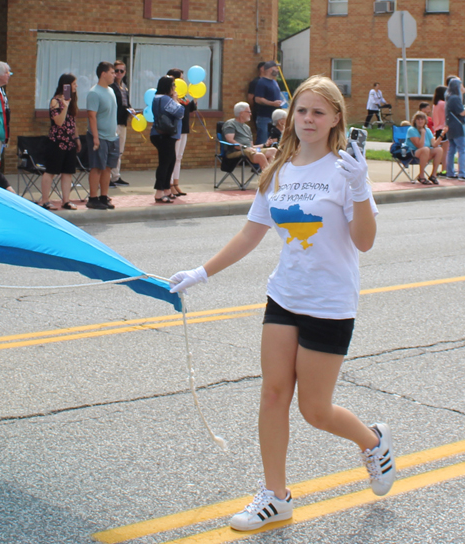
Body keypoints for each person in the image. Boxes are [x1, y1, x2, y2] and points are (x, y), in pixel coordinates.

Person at [169, 75, 394, 532]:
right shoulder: (278, 169)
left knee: (315, 410)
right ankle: (275, 495)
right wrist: (200, 273)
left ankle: (373, 441)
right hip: (284, 297)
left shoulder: (345, 170)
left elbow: (365, 243)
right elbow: (251, 233)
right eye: (302, 111)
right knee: (272, 394)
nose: (308, 119)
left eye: (318, 112)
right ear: (291, 116)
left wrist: (362, 189)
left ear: (335, 119)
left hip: (330, 303)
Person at [40, 73, 81, 211]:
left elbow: (72, 122)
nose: (76, 86)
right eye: (74, 84)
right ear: (66, 86)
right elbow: (59, 121)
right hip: (56, 141)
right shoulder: (55, 101)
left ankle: (66, 200)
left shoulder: (72, 101)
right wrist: (65, 106)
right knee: (51, 171)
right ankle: (45, 200)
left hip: (69, 142)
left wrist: (77, 138)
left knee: (68, 172)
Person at [86, 61, 119, 210]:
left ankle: (104, 197)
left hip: (112, 136)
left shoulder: (111, 91)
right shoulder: (94, 92)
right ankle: (92, 198)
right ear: (103, 74)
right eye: (112, 72)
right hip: (99, 136)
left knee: (108, 168)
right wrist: (95, 137)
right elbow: (92, 116)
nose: (115, 75)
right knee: (97, 167)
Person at [150, 75, 184, 203]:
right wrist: (175, 100)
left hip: (161, 134)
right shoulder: (164, 99)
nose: (175, 88)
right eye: (173, 85)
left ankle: (166, 189)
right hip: (164, 135)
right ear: (167, 86)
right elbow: (180, 112)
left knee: (171, 161)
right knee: (165, 163)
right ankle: (159, 192)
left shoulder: (158, 98)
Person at [167, 68, 197, 197]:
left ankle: (176, 183)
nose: (184, 80)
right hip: (175, 129)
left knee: (179, 157)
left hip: (184, 128)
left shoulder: (183, 95)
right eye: (181, 78)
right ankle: (169, 184)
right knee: (172, 157)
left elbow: (189, 109)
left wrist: (195, 96)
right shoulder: (170, 96)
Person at [222, 102, 277, 170]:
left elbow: (251, 146)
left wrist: (265, 145)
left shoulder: (247, 127)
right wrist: (245, 147)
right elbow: (230, 140)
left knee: (274, 151)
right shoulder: (230, 124)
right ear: (241, 113)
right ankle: (268, 178)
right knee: (260, 155)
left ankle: (269, 174)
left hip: (250, 151)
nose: (250, 114)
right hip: (235, 152)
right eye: (248, 112)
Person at [110, 60, 133, 187]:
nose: (119, 73)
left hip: (123, 122)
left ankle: (116, 176)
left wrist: (131, 109)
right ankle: (107, 177)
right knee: (112, 150)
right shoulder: (111, 86)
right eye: (116, 70)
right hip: (114, 121)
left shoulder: (124, 86)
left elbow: (125, 103)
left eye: (121, 71)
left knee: (119, 151)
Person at [404, 111, 444, 185]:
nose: (420, 121)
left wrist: (442, 134)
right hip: (412, 152)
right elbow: (419, 146)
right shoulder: (411, 130)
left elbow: (434, 144)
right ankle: (421, 176)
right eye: (418, 119)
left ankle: (433, 175)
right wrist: (422, 133)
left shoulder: (427, 130)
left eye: (422, 119)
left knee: (439, 150)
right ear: (415, 121)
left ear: (425, 121)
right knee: (425, 149)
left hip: (425, 153)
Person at [254, 61, 282, 145]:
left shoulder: (274, 82)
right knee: (263, 140)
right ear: (270, 69)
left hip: (274, 118)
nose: (277, 70)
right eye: (276, 68)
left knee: (273, 140)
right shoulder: (262, 82)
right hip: (264, 117)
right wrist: (272, 103)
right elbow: (258, 99)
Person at [445, 78, 465, 180]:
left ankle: (450, 172)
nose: (463, 87)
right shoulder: (456, 98)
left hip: (451, 126)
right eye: (461, 85)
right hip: (458, 127)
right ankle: (462, 173)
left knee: (451, 149)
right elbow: (462, 113)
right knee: (462, 149)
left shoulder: (449, 97)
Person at [432, 85, 449, 176]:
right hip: (444, 128)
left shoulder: (435, 104)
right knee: (445, 151)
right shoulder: (443, 104)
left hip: (437, 128)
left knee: (441, 150)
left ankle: (441, 169)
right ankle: (444, 170)